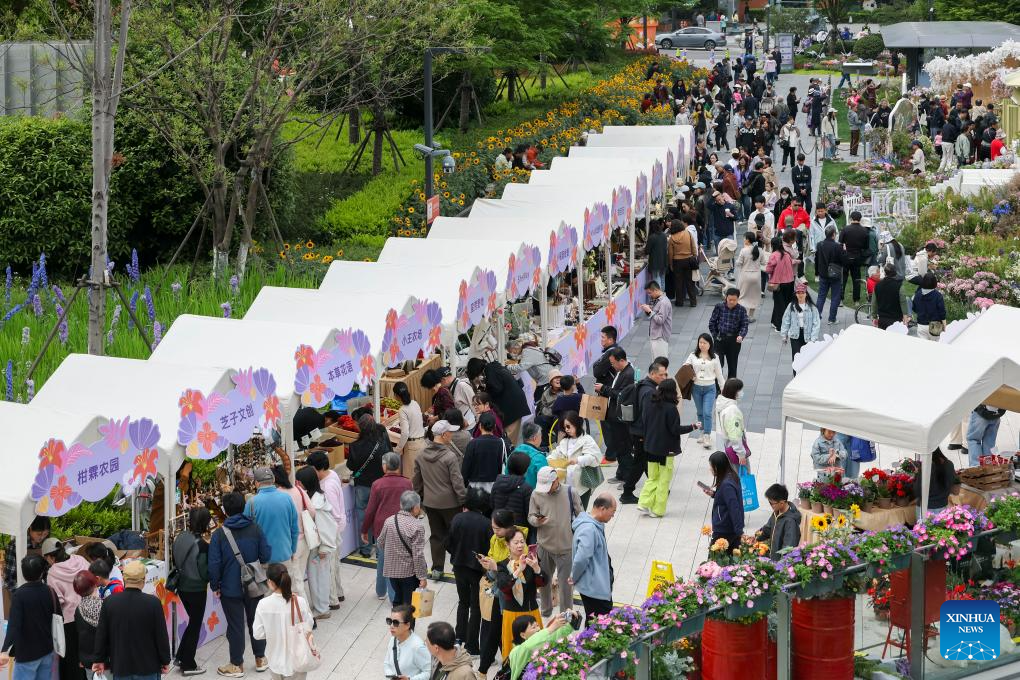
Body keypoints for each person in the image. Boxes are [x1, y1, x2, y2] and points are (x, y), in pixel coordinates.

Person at [209, 491, 271, 676]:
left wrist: (215, 585)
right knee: (256, 621)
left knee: (235, 626)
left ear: (225, 511)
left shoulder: (219, 534)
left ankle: (236, 665)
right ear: (244, 507)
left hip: (230, 588)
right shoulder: (255, 528)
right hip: (254, 585)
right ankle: (260, 658)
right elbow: (266, 555)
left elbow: (214, 564)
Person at [91, 560, 171, 680]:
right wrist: (165, 660)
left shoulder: (109, 602)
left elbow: (101, 634)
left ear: (124, 578)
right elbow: (161, 635)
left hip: (121, 666)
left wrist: (99, 659)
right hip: (148, 666)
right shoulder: (153, 603)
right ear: (143, 580)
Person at [412, 419, 466, 579]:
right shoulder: (450, 457)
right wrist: (464, 500)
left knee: (436, 535)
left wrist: (421, 500)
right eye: (450, 432)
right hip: (451, 504)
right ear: (444, 435)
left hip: (431, 503)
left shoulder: (421, 455)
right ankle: (457, 565)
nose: (452, 434)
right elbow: (457, 482)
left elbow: (416, 481)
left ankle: (437, 568)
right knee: (456, 535)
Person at [479, 527, 544, 657]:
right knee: (513, 653)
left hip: (531, 611)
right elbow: (504, 587)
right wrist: (518, 570)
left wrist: (537, 568)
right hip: (512, 614)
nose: (520, 545)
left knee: (537, 652)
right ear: (508, 544)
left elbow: (542, 582)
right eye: (516, 542)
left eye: (522, 542)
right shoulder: (503, 565)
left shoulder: (531, 561)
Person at [527, 467, 582, 619]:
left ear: (556, 480)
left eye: (549, 485)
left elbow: (581, 516)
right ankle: (545, 610)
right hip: (544, 546)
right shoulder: (536, 494)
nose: (546, 490)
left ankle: (566, 616)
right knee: (543, 581)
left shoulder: (571, 492)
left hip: (566, 547)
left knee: (566, 586)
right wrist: (536, 520)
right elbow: (530, 516)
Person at [639, 379, 698, 518]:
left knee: (652, 477)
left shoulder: (650, 403)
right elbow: (675, 429)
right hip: (666, 450)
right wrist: (692, 426)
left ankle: (644, 503)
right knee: (664, 480)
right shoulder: (671, 408)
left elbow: (644, 422)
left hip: (650, 446)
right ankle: (657, 510)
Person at [446, 491, 492, 656]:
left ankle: (459, 638)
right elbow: (489, 549)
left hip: (459, 567)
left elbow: (448, 543)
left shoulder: (458, 518)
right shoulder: (486, 524)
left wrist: (457, 554)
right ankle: (472, 645)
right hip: (477, 570)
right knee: (476, 607)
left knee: (463, 603)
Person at [250, 563, 314, 680]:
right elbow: (309, 624)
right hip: (299, 660)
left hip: (275, 661)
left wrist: (272, 631)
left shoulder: (263, 604)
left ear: (270, 582)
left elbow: (257, 634)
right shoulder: (299, 601)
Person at [361, 452, 410, 602]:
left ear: (385, 466)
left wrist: (364, 529)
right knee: (394, 561)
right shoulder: (407, 483)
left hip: (382, 527)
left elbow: (370, 510)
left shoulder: (377, 484)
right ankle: (393, 595)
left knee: (383, 558)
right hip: (402, 526)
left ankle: (382, 591)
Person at [0, 555, 57, 680]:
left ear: (23, 573)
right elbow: (59, 618)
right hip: (47, 649)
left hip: (27, 653)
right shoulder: (51, 591)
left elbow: (14, 625)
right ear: (42, 572)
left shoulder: (19, 595)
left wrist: (4, 650)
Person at [41, 538, 89, 680]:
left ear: (51, 557)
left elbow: (58, 601)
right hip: (88, 614)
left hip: (69, 621)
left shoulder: (53, 572)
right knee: (87, 655)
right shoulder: (80, 560)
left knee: (72, 660)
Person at [294, 466, 338, 619]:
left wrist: (324, 548)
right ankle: (321, 607)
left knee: (318, 579)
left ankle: (322, 610)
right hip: (317, 546)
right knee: (317, 577)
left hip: (320, 548)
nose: (297, 484)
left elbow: (326, 527)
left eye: (299, 481)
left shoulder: (317, 503)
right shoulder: (315, 497)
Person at [304, 452, 346, 609]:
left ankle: (333, 600)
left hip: (332, 531)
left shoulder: (326, 487)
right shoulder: (332, 474)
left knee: (329, 569)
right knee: (334, 565)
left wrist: (328, 539)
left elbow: (333, 515)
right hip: (336, 529)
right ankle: (339, 593)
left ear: (318, 468)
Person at [172, 506, 211, 675]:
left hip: (181, 586)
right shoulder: (202, 545)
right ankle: (188, 664)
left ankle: (181, 656)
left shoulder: (179, 537)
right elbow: (204, 572)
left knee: (193, 622)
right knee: (195, 625)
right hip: (196, 589)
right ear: (205, 523)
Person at [571, 493, 617, 622]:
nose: (613, 516)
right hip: (595, 588)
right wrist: (573, 577)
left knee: (593, 621)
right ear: (602, 509)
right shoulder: (589, 529)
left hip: (594, 586)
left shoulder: (591, 523)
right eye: (612, 511)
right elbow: (581, 559)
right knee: (599, 623)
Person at [377, 490, 428, 606]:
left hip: (392, 572)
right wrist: (422, 577)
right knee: (409, 606)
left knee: (397, 599)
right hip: (408, 574)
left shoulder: (389, 521)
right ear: (415, 508)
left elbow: (380, 542)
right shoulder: (417, 526)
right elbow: (418, 555)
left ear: (401, 505)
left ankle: (396, 617)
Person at [346, 420, 388, 559]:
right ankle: (380, 550)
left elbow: (351, 466)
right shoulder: (381, 445)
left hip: (362, 485)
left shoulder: (354, 446)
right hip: (380, 485)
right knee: (380, 517)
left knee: (363, 517)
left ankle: (365, 549)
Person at [466, 358, 529, 444]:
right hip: (513, 405)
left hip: (513, 408)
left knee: (509, 438)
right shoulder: (492, 368)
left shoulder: (490, 371)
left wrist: (484, 389)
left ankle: (508, 451)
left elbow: (496, 389)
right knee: (507, 435)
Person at [245, 467, 299, 567]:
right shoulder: (287, 498)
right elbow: (295, 529)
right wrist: (292, 550)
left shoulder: (251, 503)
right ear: (273, 480)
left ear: (256, 483)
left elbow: (247, 534)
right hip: (285, 555)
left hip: (263, 560)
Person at [547, 411, 601, 509]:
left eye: (568, 426)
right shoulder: (564, 441)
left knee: (581, 512)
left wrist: (578, 460)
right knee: (567, 512)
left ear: (576, 424)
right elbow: (555, 453)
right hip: (564, 485)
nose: (566, 430)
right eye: (564, 427)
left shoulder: (587, 439)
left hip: (582, 486)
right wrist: (549, 459)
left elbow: (595, 458)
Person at [597, 347, 635, 483]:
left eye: (613, 363)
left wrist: (604, 388)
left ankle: (628, 478)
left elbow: (621, 394)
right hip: (615, 416)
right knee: (619, 448)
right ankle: (621, 474)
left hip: (621, 419)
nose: (612, 366)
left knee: (624, 449)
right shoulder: (621, 372)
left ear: (621, 360)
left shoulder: (628, 374)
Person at [684, 334, 724, 449]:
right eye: (700, 342)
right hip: (696, 388)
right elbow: (685, 367)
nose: (702, 345)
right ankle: (701, 432)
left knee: (707, 412)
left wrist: (723, 388)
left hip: (710, 388)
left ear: (710, 344)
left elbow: (719, 374)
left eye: (704, 343)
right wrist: (690, 374)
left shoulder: (715, 357)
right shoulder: (693, 355)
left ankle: (707, 435)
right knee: (700, 412)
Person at [507, 613, 574, 680]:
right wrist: (551, 628)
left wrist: (573, 622)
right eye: (533, 627)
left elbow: (555, 635)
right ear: (523, 635)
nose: (538, 629)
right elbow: (528, 646)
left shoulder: (539, 642)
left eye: (537, 625)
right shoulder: (516, 651)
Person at [701, 450, 744, 554]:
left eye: (711, 466)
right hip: (730, 528)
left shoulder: (726, 485)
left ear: (717, 467)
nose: (710, 469)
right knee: (731, 558)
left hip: (724, 529)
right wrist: (714, 494)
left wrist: (739, 532)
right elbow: (727, 499)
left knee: (714, 559)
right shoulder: (731, 476)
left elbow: (734, 508)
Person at [382, 604, 431, 680]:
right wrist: (391, 676)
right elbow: (387, 663)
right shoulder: (393, 639)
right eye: (389, 621)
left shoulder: (418, 647)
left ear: (407, 625)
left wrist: (409, 679)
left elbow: (428, 672)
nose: (391, 626)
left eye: (395, 623)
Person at [3, 516, 50, 595]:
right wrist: (22, 595)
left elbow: (46, 572)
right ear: (30, 528)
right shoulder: (15, 546)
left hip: (40, 589)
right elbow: (9, 578)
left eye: (45, 534)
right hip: (20, 591)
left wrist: (45, 589)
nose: (42, 537)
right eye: (39, 534)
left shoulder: (45, 543)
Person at [709, 288, 749, 379]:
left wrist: (741, 335)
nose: (731, 302)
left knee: (732, 365)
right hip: (720, 339)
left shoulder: (741, 310)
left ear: (738, 299)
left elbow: (744, 325)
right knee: (718, 364)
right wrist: (715, 336)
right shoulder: (719, 307)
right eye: (730, 299)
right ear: (726, 297)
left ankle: (731, 385)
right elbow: (712, 322)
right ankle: (718, 384)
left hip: (734, 340)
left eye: (734, 300)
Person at [463, 411, 508, 492]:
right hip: (494, 484)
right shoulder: (500, 442)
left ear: (480, 426)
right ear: (494, 426)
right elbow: (501, 464)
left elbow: (466, 465)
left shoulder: (473, 443)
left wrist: (465, 483)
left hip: (475, 485)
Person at [780, 283, 820, 368]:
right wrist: (784, 335)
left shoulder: (812, 308)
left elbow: (816, 324)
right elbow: (786, 320)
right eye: (798, 293)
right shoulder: (791, 306)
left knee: (807, 357)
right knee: (796, 357)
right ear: (796, 294)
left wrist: (813, 338)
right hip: (795, 336)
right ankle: (796, 374)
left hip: (808, 336)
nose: (800, 295)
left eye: (802, 293)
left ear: (806, 294)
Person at [757, 485, 801, 560]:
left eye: (771, 503)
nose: (770, 505)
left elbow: (788, 548)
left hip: (780, 562)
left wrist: (780, 563)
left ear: (782, 503)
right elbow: (767, 529)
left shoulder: (790, 521)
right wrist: (756, 537)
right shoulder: (777, 512)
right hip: (773, 556)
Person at [73, 571, 102, 680]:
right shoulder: (105, 606)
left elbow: (80, 636)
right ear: (94, 584)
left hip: (88, 660)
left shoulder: (78, 610)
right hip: (106, 659)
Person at [815, 225, 847, 325]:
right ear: (833, 234)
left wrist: (817, 272)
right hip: (835, 274)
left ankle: (816, 317)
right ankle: (832, 319)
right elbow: (843, 261)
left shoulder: (819, 245)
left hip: (823, 274)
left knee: (821, 296)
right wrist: (844, 251)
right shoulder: (837, 246)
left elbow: (817, 259)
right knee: (835, 297)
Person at [714, 378, 747, 468]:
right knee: (741, 474)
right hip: (734, 451)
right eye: (740, 390)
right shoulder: (732, 410)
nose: (742, 392)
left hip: (724, 447)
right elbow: (734, 434)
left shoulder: (721, 403)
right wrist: (741, 453)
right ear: (735, 392)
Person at [766, 236, 795, 333]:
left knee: (779, 305)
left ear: (772, 245)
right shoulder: (787, 254)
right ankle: (774, 321)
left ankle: (780, 326)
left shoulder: (774, 255)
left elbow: (768, 270)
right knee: (786, 303)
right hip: (790, 282)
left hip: (778, 283)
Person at [667, 220, 699, 307]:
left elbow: (670, 253)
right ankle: (693, 302)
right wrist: (694, 256)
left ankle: (679, 302)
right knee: (690, 282)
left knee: (678, 282)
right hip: (688, 260)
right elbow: (693, 246)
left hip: (677, 262)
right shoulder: (688, 233)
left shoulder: (672, 238)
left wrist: (671, 264)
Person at [641, 280, 673, 359]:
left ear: (655, 290)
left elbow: (660, 320)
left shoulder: (664, 302)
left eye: (650, 293)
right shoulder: (657, 300)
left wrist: (649, 311)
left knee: (660, 362)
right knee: (655, 362)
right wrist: (648, 309)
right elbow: (654, 313)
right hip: (655, 335)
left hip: (660, 337)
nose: (649, 295)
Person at [511, 422, 548, 489]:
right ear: (534, 438)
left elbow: (507, 472)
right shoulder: (539, 459)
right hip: (532, 493)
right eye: (541, 436)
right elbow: (546, 482)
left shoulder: (513, 453)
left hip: (514, 491)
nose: (541, 439)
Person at [735, 231, 761, 321]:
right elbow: (763, 262)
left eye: (744, 238)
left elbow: (739, 263)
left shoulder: (744, 250)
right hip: (756, 276)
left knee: (742, 296)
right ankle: (751, 316)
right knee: (754, 297)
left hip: (745, 276)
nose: (743, 240)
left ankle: (743, 315)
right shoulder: (759, 250)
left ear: (747, 240)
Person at [872, 263, 908, 330]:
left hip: (882, 320)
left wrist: (874, 317)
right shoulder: (899, 286)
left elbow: (874, 303)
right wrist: (905, 317)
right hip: (896, 321)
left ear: (885, 273)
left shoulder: (877, 285)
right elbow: (903, 302)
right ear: (895, 273)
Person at [913, 273, 946, 341]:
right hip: (935, 325)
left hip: (921, 324)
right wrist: (944, 324)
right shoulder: (938, 295)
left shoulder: (917, 294)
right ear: (935, 282)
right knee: (935, 345)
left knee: (923, 346)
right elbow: (942, 312)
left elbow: (914, 308)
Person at [646, 220, 669, 290]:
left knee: (656, 279)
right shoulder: (664, 235)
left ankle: (658, 294)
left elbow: (647, 251)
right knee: (662, 279)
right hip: (663, 260)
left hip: (655, 262)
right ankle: (662, 294)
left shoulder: (652, 237)